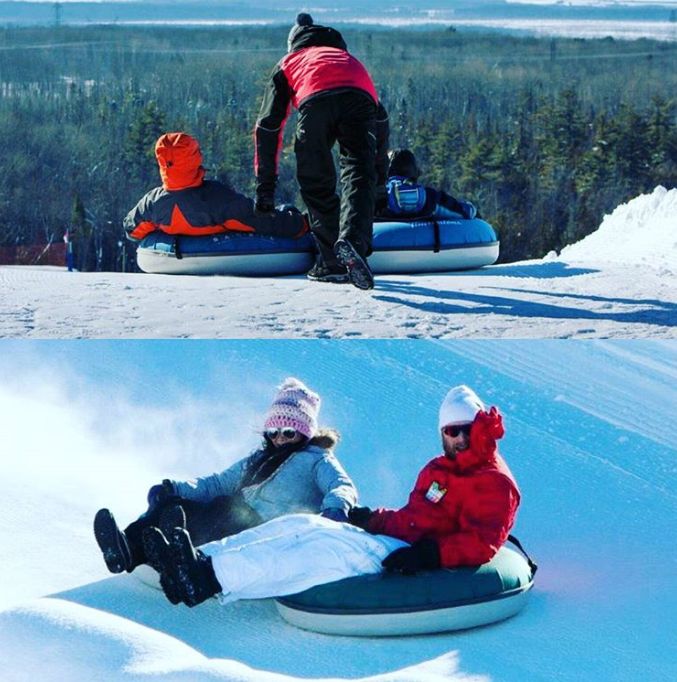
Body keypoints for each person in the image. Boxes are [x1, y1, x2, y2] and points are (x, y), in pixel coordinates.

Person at [140, 384, 521, 608]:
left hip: (411, 556)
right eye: (449, 430)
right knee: (301, 524)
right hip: (393, 541)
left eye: (462, 429)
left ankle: (209, 580)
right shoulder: (440, 469)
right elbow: (413, 517)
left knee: (320, 549)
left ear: (478, 428)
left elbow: (482, 543)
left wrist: (431, 554)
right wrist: (369, 517)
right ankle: (198, 562)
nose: (456, 437)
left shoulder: (494, 482)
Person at [94, 377, 358, 575]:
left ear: (305, 432)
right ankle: (127, 548)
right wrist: (175, 487)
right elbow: (218, 483)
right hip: (235, 519)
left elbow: (342, 486)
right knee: (176, 504)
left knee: (224, 507)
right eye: (274, 430)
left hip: (266, 533)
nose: (280, 438)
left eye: (289, 431)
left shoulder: (317, 459)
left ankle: (180, 551)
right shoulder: (257, 459)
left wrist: (335, 509)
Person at [254, 12, 390, 290]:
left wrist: (265, 188)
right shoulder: (349, 60)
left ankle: (331, 261)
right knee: (358, 174)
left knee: (315, 180)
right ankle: (353, 242)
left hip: (314, 101)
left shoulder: (288, 61)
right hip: (359, 99)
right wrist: (379, 186)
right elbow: (382, 126)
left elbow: (268, 127)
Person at [123, 132, 307, 243]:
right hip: (227, 260)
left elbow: (132, 230)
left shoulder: (152, 202)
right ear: (194, 159)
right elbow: (261, 220)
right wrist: (304, 224)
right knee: (286, 210)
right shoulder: (216, 198)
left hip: (175, 262)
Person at [378, 149, 479, 221]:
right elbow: (465, 212)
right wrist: (472, 210)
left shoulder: (374, 196)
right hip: (428, 245)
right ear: (415, 173)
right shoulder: (430, 196)